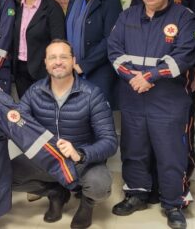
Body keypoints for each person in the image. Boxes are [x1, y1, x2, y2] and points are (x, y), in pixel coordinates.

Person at [108, 0, 195, 229]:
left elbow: (184, 55)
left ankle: (174, 204)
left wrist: (149, 76)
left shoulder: (184, 17)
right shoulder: (128, 16)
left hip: (168, 99)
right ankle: (136, 194)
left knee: (171, 152)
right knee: (134, 149)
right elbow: (114, 50)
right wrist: (132, 77)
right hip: (133, 95)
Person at [12, 39, 117, 229]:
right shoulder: (34, 92)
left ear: (73, 60)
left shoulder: (92, 94)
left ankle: (87, 204)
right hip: (47, 159)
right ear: (45, 62)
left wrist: (81, 154)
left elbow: (109, 141)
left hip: (81, 162)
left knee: (100, 186)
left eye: (63, 57)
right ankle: (54, 193)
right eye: (52, 57)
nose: (58, 62)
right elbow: (17, 122)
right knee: (5, 174)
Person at [132, 0, 195, 197]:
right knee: (143, 137)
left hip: (176, 78)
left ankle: (175, 190)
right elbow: (136, 26)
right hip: (142, 81)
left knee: (176, 137)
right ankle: (148, 187)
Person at [65, 0, 122, 106]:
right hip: (72, 71)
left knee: (98, 121)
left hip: (99, 71)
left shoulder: (111, 2)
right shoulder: (72, 1)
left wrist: (83, 66)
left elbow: (111, 40)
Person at [12, 0, 65, 97]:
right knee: (25, 112)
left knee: (44, 113)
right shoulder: (15, 7)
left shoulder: (52, 8)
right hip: (19, 71)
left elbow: (59, 43)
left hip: (43, 71)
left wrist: (51, 70)